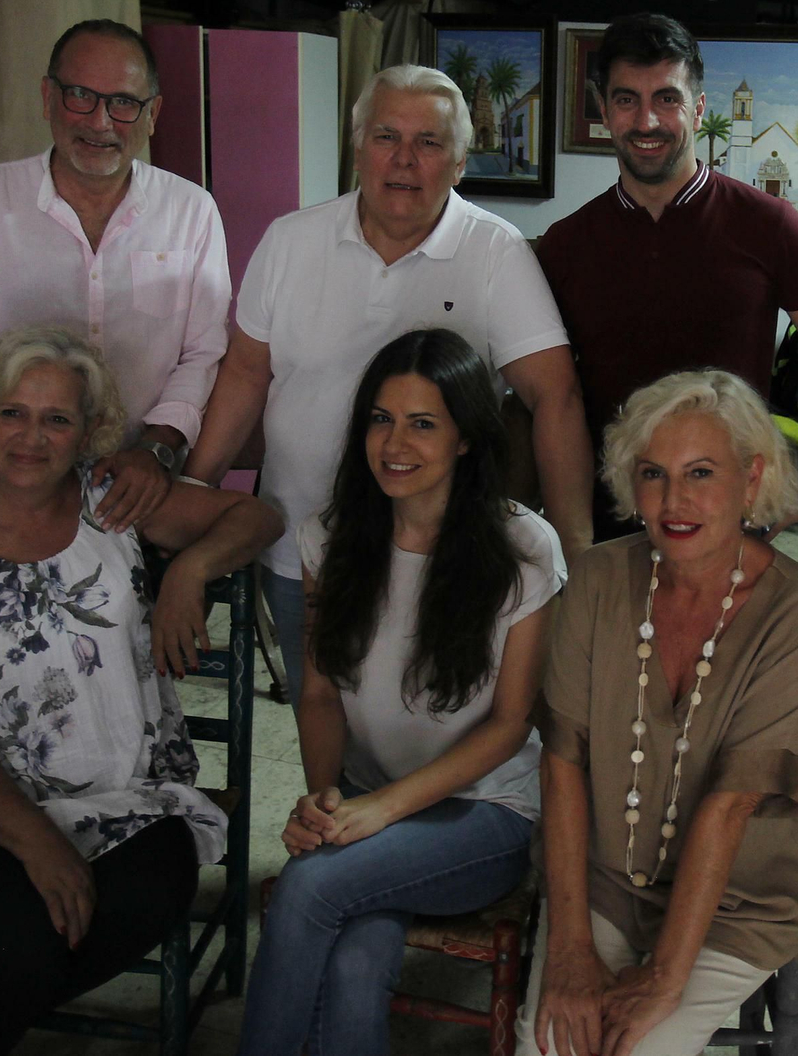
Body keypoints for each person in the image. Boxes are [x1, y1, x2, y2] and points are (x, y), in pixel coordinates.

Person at [0, 325, 281, 1055]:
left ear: (89, 432)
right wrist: (38, 843)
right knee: (22, 940)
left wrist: (188, 571)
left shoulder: (114, 503)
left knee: (140, 898)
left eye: (56, 418)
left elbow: (258, 515)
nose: (31, 437)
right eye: (13, 414)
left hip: (125, 795)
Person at [184, 64, 593, 712]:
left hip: (440, 561)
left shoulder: (494, 250)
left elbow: (556, 397)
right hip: (300, 545)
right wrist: (195, 490)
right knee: (324, 722)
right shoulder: (290, 242)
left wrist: (577, 559)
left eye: (429, 143)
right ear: (358, 149)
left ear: (459, 162)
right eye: (385, 137)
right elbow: (244, 372)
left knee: (435, 732)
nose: (404, 160)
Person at [235, 328, 564, 1055]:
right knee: (354, 965)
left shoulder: (524, 548)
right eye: (381, 419)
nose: (394, 443)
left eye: (423, 423)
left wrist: (375, 812)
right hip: (365, 796)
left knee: (311, 889)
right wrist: (325, 800)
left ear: (467, 439)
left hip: (484, 812)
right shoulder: (332, 535)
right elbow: (319, 695)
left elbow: (510, 726)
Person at [520, 369, 798, 1056]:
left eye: (701, 473)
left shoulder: (794, 612)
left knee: (633, 1050)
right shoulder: (598, 580)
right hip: (605, 880)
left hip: (738, 905)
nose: (674, 501)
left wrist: (665, 977)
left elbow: (731, 806)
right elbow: (562, 767)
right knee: (551, 1046)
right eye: (653, 474)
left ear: (751, 480)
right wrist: (571, 953)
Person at [0, 18, 232, 551]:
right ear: (47, 97)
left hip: (133, 495)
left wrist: (157, 449)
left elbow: (203, 351)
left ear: (153, 114)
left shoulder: (191, 212)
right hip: (1, 493)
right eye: (80, 96)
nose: (100, 121)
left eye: (123, 102)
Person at [536, 13, 798, 542]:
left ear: (699, 107)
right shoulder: (566, 245)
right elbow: (547, 397)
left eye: (667, 98)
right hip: (608, 527)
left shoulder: (772, 227)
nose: (647, 121)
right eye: (626, 99)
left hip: (732, 525)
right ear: (604, 110)